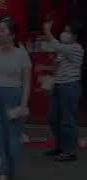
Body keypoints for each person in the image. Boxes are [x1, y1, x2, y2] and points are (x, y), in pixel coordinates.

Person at [0, 16, 32, 180]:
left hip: (13, 97)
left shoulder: (21, 53)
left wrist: (24, 104)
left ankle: (12, 171)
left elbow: (27, 82)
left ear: (12, 34)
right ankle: (2, 170)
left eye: (3, 30)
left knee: (12, 138)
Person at [43, 21, 84, 161]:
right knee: (53, 119)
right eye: (64, 30)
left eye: (67, 32)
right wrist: (51, 85)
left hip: (70, 87)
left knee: (68, 121)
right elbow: (58, 69)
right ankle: (60, 147)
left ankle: (69, 151)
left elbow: (56, 45)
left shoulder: (76, 48)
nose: (64, 34)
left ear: (75, 36)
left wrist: (47, 31)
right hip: (59, 86)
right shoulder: (64, 49)